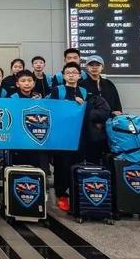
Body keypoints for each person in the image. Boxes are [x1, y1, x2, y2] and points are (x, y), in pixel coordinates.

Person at [48, 62, 88, 212]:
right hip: (62, 135)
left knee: (77, 164)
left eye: (74, 72)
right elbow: (50, 109)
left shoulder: (84, 92)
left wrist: (83, 105)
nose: (71, 75)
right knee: (61, 166)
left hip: (79, 135)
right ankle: (61, 195)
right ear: (63, 76)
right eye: (68, 73)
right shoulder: (57, 90)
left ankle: (76, 193)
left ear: (79, 75)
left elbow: (88, 111)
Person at [7, 69, 42, 168]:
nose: (27, 83)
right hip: (18, 139)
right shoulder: (12, 98)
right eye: (23, 81)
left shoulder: (38, 98)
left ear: (34, 83)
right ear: (17, 84)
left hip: (34, 137)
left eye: (29, 80)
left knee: (35, 166)